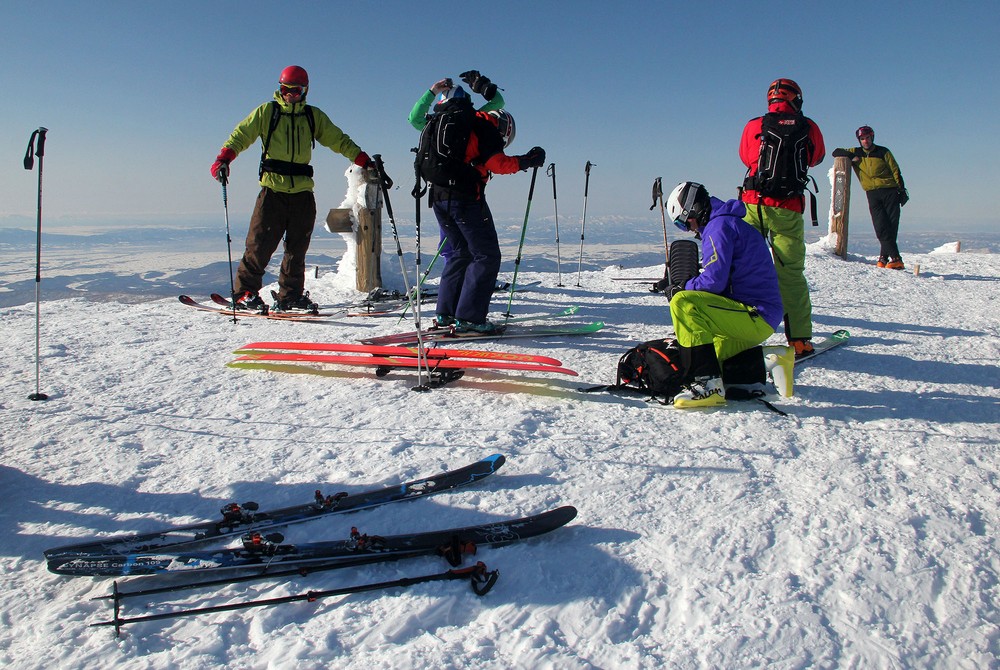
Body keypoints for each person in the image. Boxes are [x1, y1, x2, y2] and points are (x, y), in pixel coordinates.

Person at [210, 65, 372, 313]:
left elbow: (338, 139)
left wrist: (363, 160)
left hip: (302, 194)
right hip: (272, 192)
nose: (291, 94)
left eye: (296, 90)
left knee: (297, 248)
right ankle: (244, 293)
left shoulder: (312, 116)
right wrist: (223, 159)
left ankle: (290, 296)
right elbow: (242, 135)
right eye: (286, 89)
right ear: (280, 88)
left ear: (305, 90)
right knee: (260, 244)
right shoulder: (268, 112)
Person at [417, 85, 543, 333]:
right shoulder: (483, 126)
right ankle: (470, 319)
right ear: (504, 127)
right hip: (464, 199)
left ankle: (446, 314)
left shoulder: (448, 122)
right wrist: (528, 160)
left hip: (438, 197)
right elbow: (498, 164)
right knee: (486, 256)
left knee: (459, 253)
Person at [664, 182, 784, 409]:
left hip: (753, 314)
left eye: (683, 222)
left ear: (694, 210)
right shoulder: (727, 222)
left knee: (683, 303)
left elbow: (714, 282)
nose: (688, 229)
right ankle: (771, 359)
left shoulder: (718, 227)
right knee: (709, 357)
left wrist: (682, 287)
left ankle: (708, 387)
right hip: (756, 315)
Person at [739, 78, 825, 358]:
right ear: (796, 99)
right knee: (790, 276)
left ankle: (738, 333)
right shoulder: (808, 126)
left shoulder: (754, 125)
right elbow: (817, 158)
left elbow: (745, 157)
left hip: (754, 205)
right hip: (788, 208)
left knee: (743, 269)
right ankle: (799, 340)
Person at [409, 72, 514, 266]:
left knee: (453, 243)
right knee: (471, 245)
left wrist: (432, 91)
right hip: (465, 191)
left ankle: (455, 276)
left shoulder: (433, 123)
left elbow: (414, 118)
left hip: (440, 192)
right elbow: (498, 103)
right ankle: (465, 277)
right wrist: (483, 86)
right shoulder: (471, 120)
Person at [832, 126, 909, 269]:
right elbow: (836, 151)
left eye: (867, 138)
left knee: (891, 227)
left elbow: (895, 170)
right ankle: (894, 258)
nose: (865, 141)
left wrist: (901, 190)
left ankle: (885, 259)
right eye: (862, 139)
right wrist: (851, 157)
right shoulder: (856, 152)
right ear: (859, 140)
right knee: (880, 227)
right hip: (872, 193)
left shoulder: (883, 151)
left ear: (872, 137)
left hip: (890, 191)